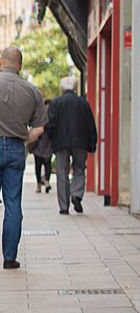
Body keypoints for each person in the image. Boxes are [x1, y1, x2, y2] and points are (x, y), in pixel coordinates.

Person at [0, 47, 47, 271]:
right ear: (20, 65)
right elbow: (39, 128)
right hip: (16, 147)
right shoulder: (32, 90)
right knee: (13, 203)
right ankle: (9, 258)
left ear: (0, 62)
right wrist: (24, 139)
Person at [46, 75, 97, 215]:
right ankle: (76, 194)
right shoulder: (83, 103)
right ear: (74, 87)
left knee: (61, 172)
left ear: (62, 88)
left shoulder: (56, 103)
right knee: (79, 168)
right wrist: (92, 143)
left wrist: (52, 139)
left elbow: (50, 124)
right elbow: (90, 124)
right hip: (80, 142)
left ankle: (64, 206)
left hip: (60, 142)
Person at [32, 99, 54, 194]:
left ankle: (45, 182)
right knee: (39, 165)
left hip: (46, 143)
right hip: (40, 143)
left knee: (46, 164)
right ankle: (40, 183)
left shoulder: (50, 116)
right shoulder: (41, 116)